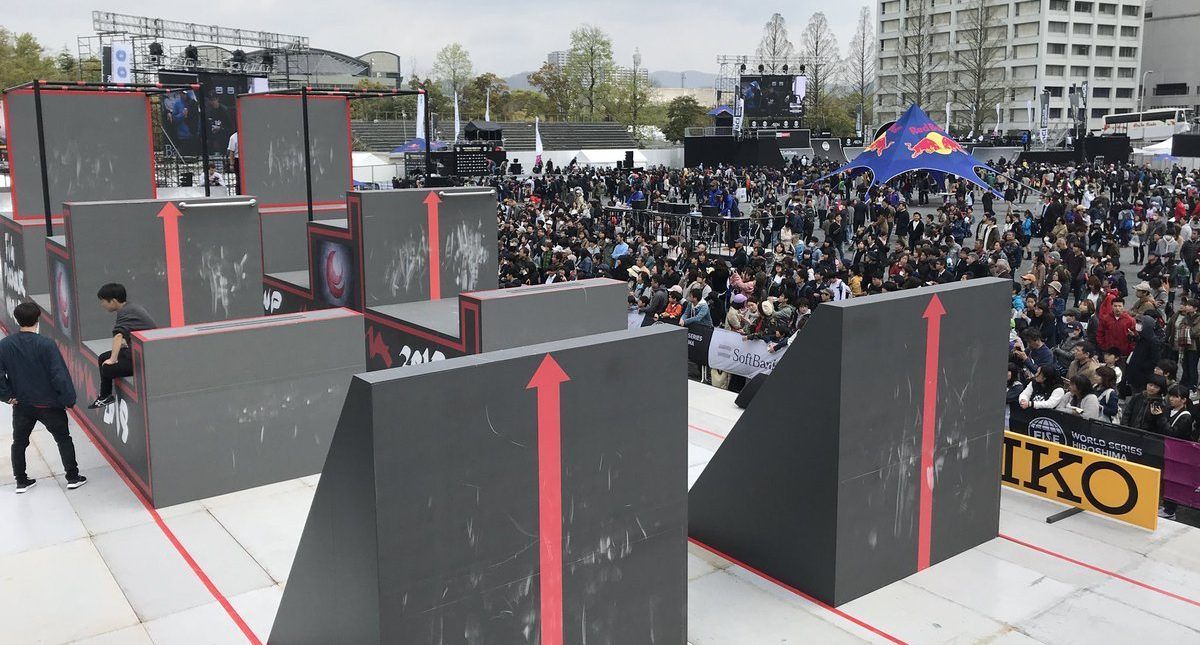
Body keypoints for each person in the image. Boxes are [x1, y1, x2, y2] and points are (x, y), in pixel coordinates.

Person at [0, 302, 86, 493]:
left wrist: (6, 396)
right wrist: (68, 399)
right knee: (63, 439)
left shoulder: (5, 344)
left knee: (19, 442)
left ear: (16, 319)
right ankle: (72, 477)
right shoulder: (47, 344)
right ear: (37, 319)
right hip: (49, 404)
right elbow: (59, 374)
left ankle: (21, 481)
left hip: (22, 404)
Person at [88, 283, 158, 409]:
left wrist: (113, 359)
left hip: (145, 359)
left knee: (107, 368)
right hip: (136, 351)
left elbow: (118, 336)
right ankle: (105, 396)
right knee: (103, 357)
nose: (102, 304)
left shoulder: (126, 312)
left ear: (113, 301)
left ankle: (105, 395)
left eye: (103, 301)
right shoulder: (130, 308)